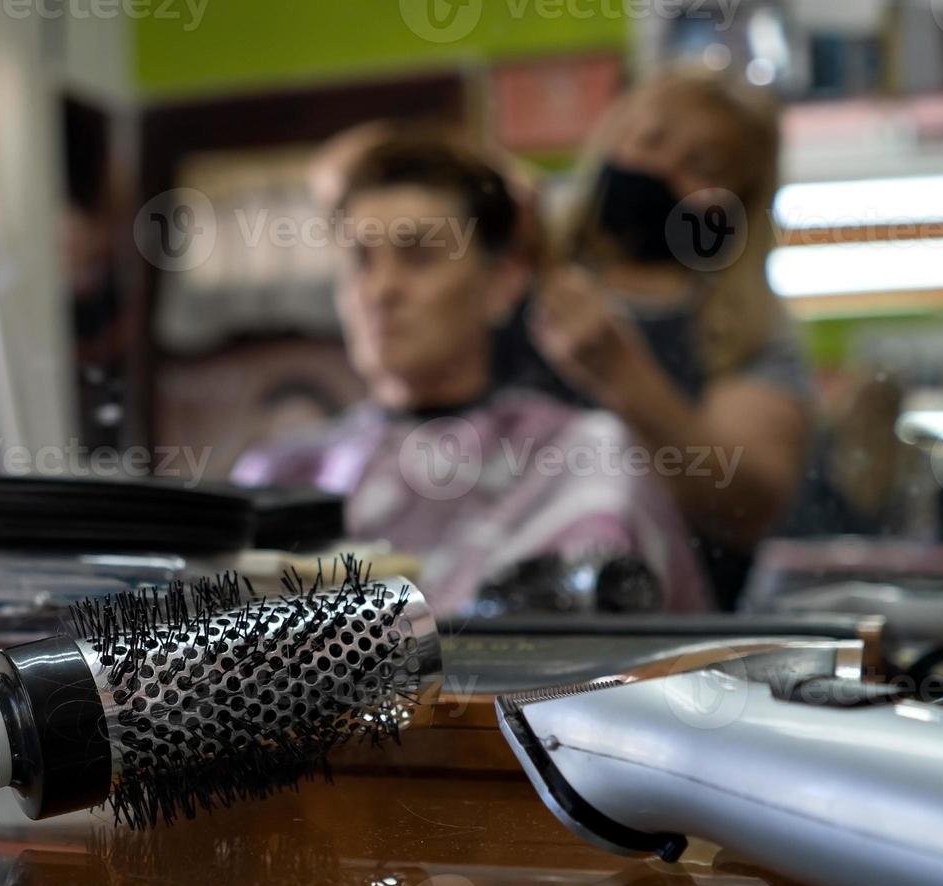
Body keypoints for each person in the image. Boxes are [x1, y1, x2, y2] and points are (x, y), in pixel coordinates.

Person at [232, 137, 710, 613]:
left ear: (502, 282)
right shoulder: (283, 472)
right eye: (360, 261)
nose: (381, 289)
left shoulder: (581, 459)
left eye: (418, 257)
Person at [495, 66, 812, 607]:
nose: (661, 168)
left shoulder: (748, 333)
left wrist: (620, 373)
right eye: (651, 139)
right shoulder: (515, 282)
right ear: (613, 136)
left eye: (701, 165)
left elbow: (743, 506)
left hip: (672, 638)